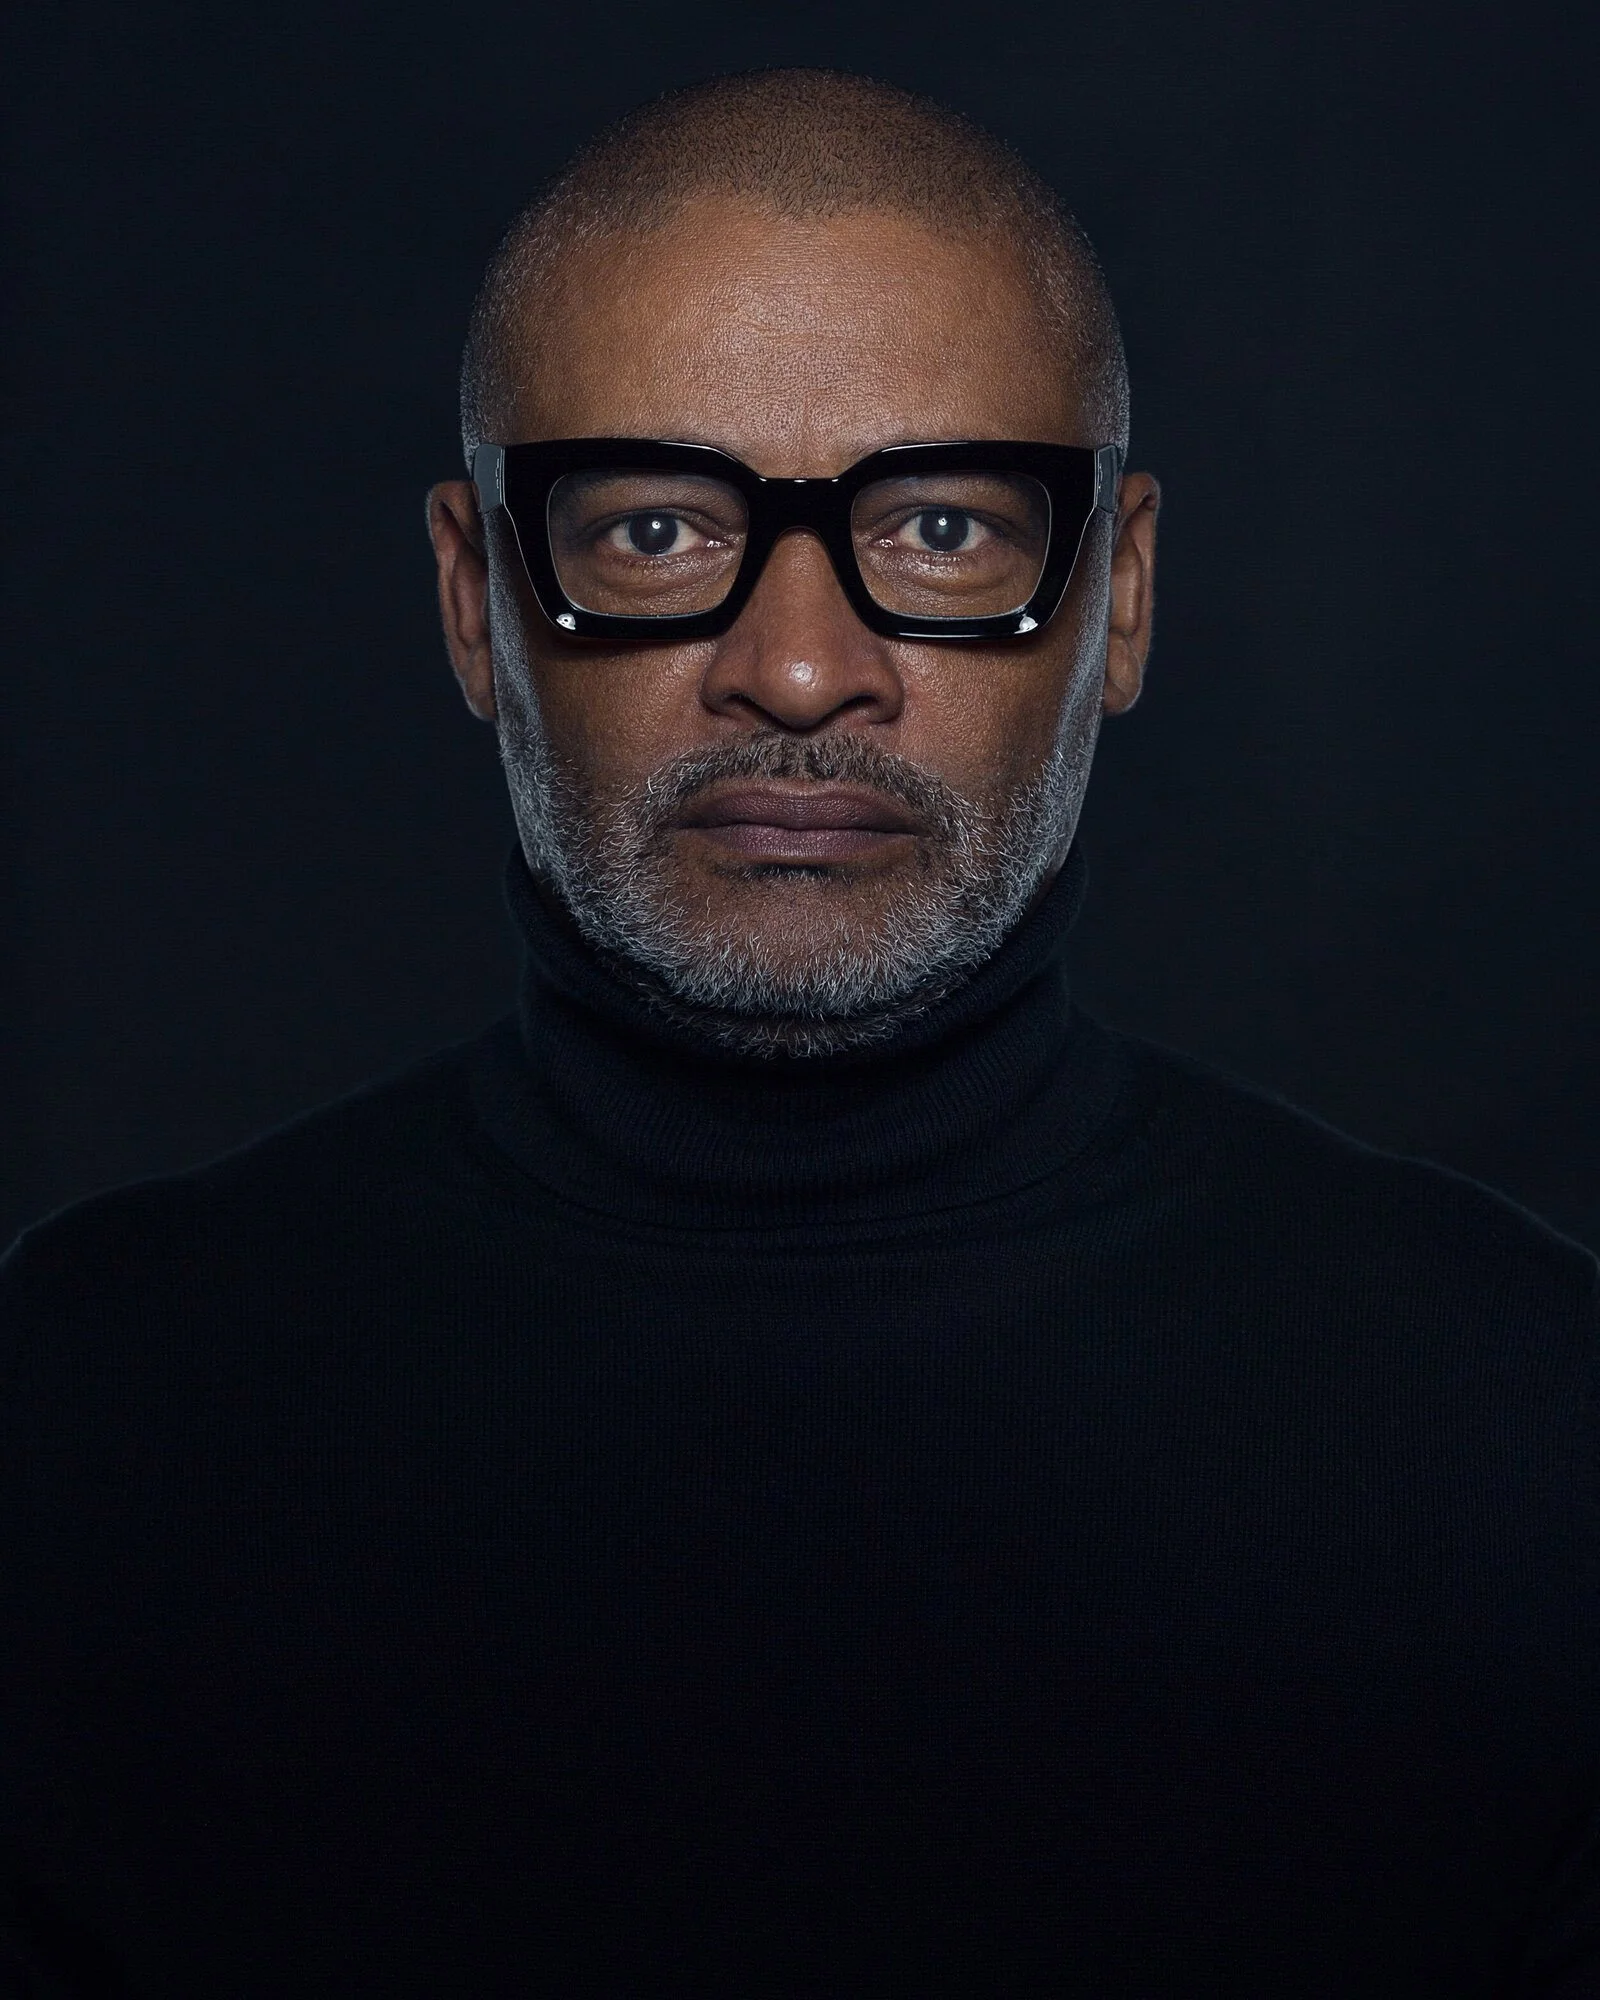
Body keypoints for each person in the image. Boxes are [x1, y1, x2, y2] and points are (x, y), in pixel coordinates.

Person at [2, 66, 1595, 1999]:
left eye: (941, 529)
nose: (801, 668)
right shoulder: (79, 1421)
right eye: (657, 533)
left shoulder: (1525, 1426)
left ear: (1124, 599)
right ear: (474, 603)